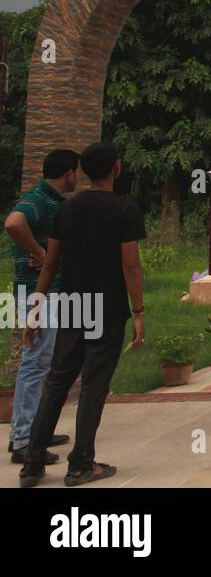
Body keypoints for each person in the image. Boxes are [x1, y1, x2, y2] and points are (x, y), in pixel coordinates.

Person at [20, 141, 146, 488]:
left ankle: (32, 464)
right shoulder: (124, 209)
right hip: (106, 307)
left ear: (85, 171)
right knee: (93, 385)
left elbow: (50, 262)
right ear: (116, 168)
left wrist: (35, 308)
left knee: (57, 381)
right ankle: (81, 464)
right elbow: (131, 265)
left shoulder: (68, 209)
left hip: (73, 304)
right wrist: (138, 311)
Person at [5, 149, 79, 466]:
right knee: (35, 363)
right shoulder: (38, 197)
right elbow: (13, 223)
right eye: (76, 171)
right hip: (38, 293)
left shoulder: (53, 200)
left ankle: (37, 430)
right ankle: (21, 438)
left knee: (44, 360)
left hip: (48, 291)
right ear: (69, 173)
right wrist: (41, 253)